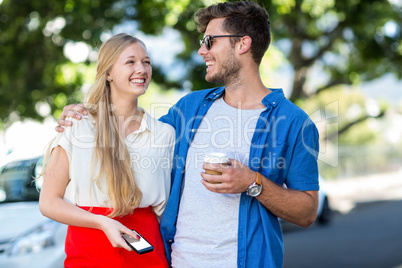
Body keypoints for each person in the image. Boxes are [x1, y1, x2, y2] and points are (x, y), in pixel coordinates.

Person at [55, 1, 320, 267]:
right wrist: (88, 114)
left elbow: (308, 212)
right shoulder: (190, 108)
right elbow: (133, 138)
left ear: (242, 44)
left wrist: (253, 182)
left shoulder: (295, 123)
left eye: (209, 41)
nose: (201, 50)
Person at [39, 33, 174, 268]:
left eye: (146, 62)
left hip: (146, 250)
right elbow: (49, 202)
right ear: (109, 73)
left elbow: (165, 210)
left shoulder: (164, 134)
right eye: (130, 62)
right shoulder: (77, 125)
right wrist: (102, 222)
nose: (141, 69)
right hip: (89, 249)